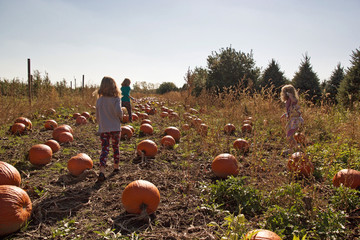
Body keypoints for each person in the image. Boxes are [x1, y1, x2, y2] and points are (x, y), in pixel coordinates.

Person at [95, 76, 123, 181]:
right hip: (115, 128)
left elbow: (97, 116)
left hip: (104, 128)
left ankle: (102, 171)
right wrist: (121, 116)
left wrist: (101, 124)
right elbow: (118, 112)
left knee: (104, 149)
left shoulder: (99, 100)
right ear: (114, 87)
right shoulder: (116, 99)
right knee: (115, 147)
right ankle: (116, 167)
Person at [280, 84, 304, 154]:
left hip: (294, 120)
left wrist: (290, 95)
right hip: (292, 119)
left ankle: (293, 149)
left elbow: (295, 101)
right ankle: (294, 147)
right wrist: (285, 114)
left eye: (283, 92)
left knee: (289, 135)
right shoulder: (288, 101)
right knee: (288, 134)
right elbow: (290, 110)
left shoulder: (292, 99)